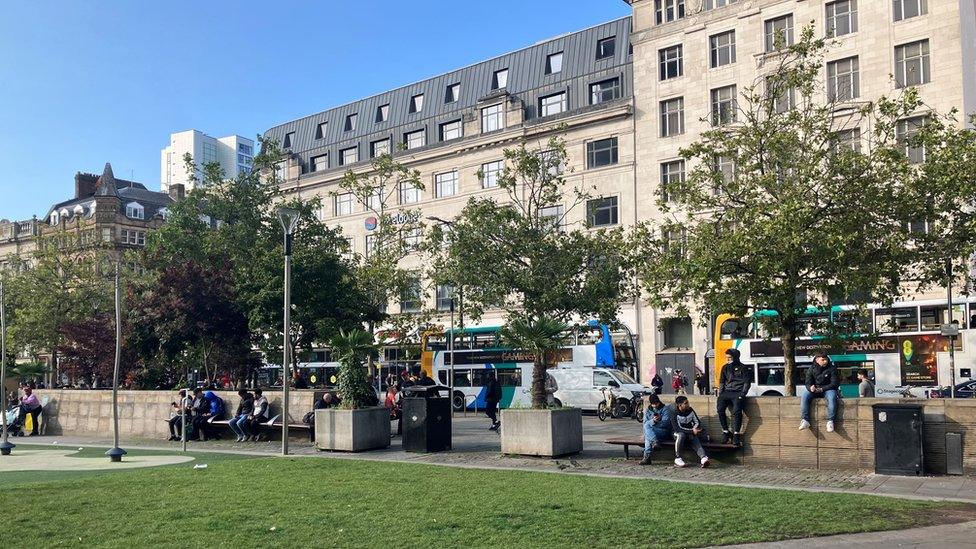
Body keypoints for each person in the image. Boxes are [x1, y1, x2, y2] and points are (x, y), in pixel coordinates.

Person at [717, 348, 751, 447]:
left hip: (738, 392)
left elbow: (746, 382)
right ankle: (726, 432)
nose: (728, 359)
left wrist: (742, 394)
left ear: (735, 357)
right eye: (726, 358)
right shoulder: (725, 367)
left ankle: (736, 434)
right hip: (727, 392)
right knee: (720, 409)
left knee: (737, 411)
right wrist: (721, 393)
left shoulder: (743, 368)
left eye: (730, 357)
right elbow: (722, 381)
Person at [800, 354, 840, 432]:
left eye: (826, 360)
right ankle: (805, 420)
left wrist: (822, 389)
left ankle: (830, 421)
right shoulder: (811, 369)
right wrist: (810, 388)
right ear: (817, 360)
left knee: (832, 397)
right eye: (823, 360)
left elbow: (834, 384)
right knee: (805, 395)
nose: (825, 361)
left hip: (828, 389)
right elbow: (807, 383)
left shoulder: (832, 368)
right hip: (815, 390)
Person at [671, 395, 710, 468]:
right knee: (681, 435)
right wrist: (692, 431)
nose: (688, 404)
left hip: (689, 433)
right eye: (686, 403)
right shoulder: (674, 413)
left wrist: (695, 429)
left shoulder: (690, 410)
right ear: (680, 405)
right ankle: (678, 458)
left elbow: (697, 422)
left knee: (693, 437)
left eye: (688, 402)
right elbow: (678, 429)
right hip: (677, 434)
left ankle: (703, 458)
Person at [639, 394, 674, 465]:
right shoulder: (648, 410)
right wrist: (653, 421)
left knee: (648, 431)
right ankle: (654, 442)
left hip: (663, 432)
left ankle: (647, 457)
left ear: (659, 402)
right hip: (652, 432)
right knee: (648, 434)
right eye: (653, 404)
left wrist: (657, 421)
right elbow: (644, 422)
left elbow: (666, 424)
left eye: (656, 403)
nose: (655, 406)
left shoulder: (665, 409)